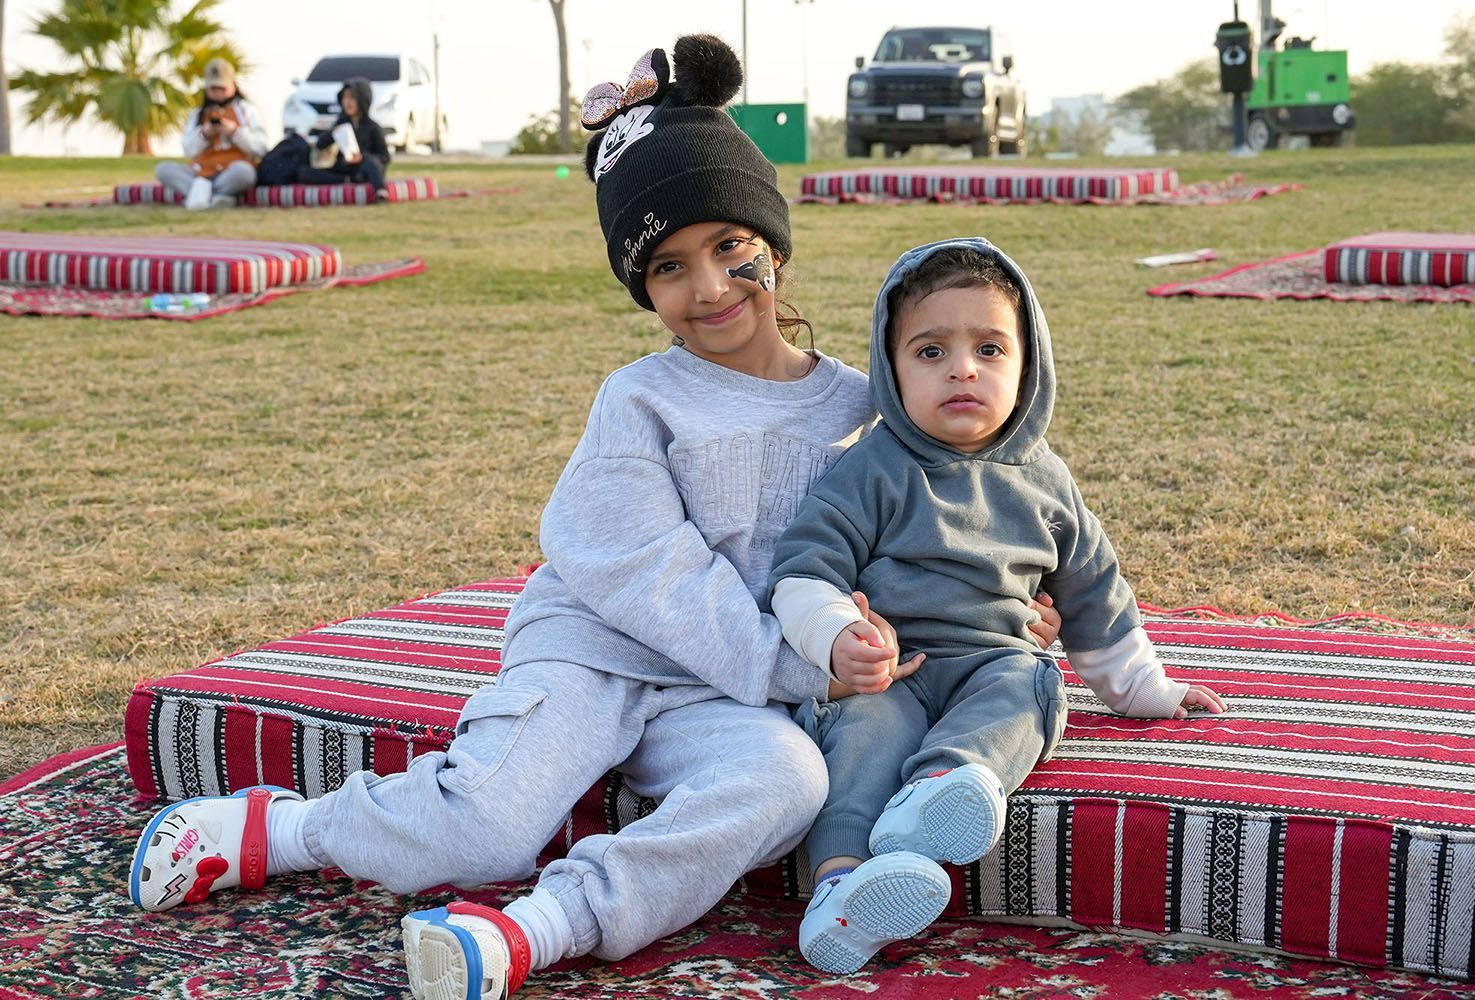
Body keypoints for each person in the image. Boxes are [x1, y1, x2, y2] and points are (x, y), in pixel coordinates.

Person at [127, 36, 1065, 998]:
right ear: (641, 286)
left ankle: (539, 928)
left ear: (774, 245)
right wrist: (797, 665)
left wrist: (1002, 602)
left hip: (726, 698)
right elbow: (639, 565)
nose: (708, 288)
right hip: (599, 652)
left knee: (790, 783)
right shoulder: (641, 399)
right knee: (488, 825)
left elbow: (939, 523)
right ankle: (276, 828)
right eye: (667, 266)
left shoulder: (866, 408)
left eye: (730, 249)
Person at [768, 237, 1228, 975]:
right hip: (893, 670)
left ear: (1027, 365)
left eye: (989, 348)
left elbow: (1096, 592)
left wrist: (1147, 688)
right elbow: (803, 568)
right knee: (859, 742)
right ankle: (839, 891)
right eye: (930, 352)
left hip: (994, 660)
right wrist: (836, 634)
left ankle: (937, 795)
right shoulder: (873, 468)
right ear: (890, 369)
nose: (962, 369)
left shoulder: (1045, 480)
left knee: (1030, 688)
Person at [154, 58, 267, 211]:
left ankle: (201, 195)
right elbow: (188, 151)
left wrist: (235, 133)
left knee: (245, 173)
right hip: (201, 172)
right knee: (163, 169)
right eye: (213, 88)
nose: (218, 93)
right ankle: (219, 197)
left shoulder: (248, 110)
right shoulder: (197, 114)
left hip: (232, 171)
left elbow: (261, 148)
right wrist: (204, 135)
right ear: (206, 88)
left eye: (222, 88)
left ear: (233, 86)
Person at [296, 77, 391, 198]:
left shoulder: (373, 127)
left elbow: (385, 157)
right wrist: (333, 132)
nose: (347, 102)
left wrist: (362, 158)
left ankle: (380, 191)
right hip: (345, 170)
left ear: (362, 99)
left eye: (352, 97)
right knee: (304, 172)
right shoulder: (341, 122)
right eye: (344, 97)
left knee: (371, 161)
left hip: (364, 168)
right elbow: (320, 145)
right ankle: (348, 180)